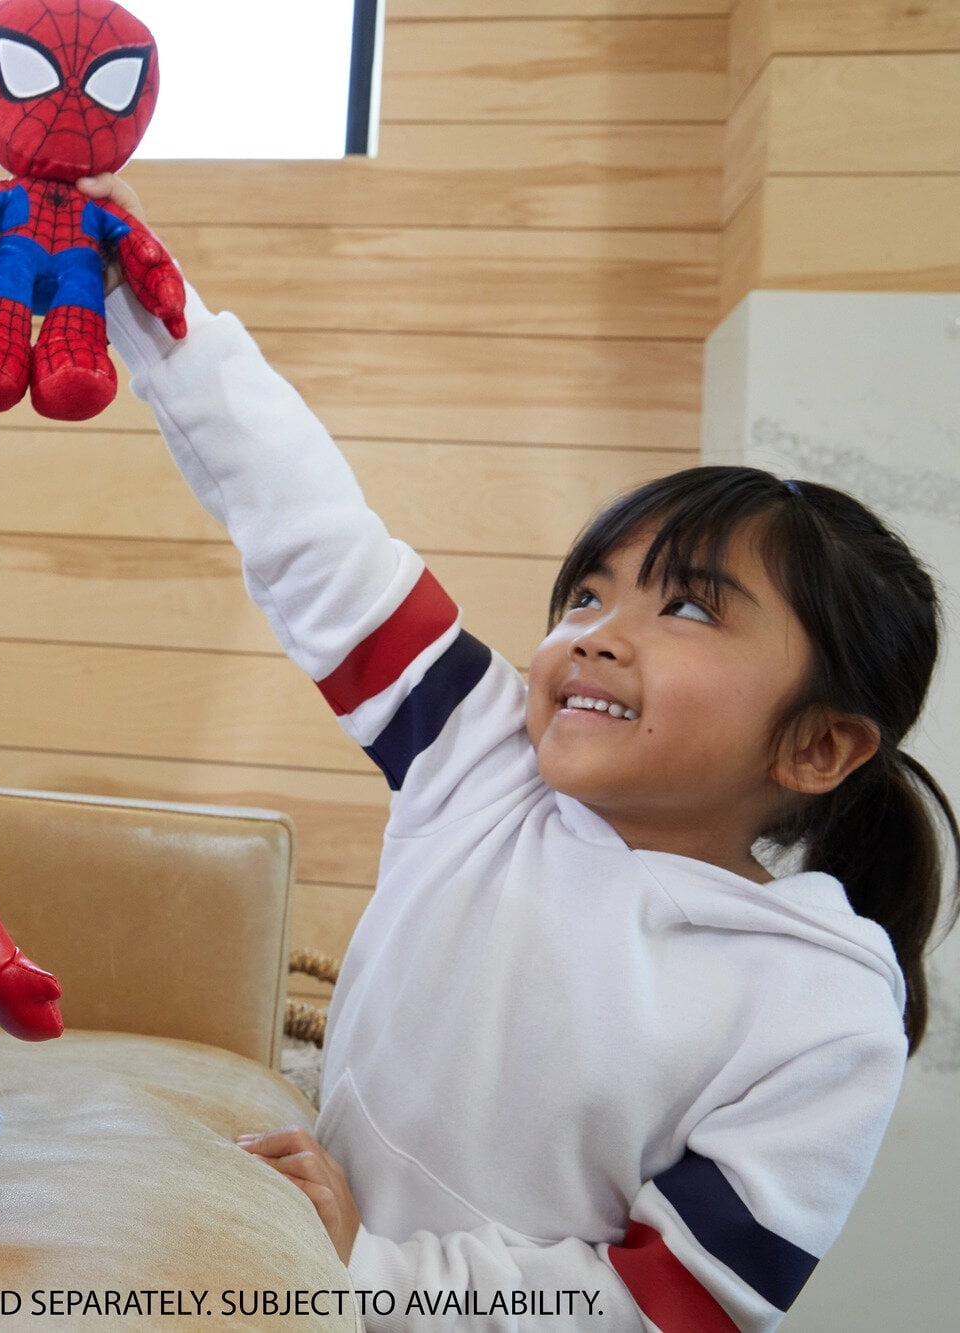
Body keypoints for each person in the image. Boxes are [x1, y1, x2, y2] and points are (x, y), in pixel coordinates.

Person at [79, 173, 955, 1331]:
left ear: (815, 745)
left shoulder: (821, 1010)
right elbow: (306, 528)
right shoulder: (481, 760)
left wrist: (374, 1269)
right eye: (585, 594)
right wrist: (149, 307)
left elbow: (673, 1303)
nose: (594, 632)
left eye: (684, 608)